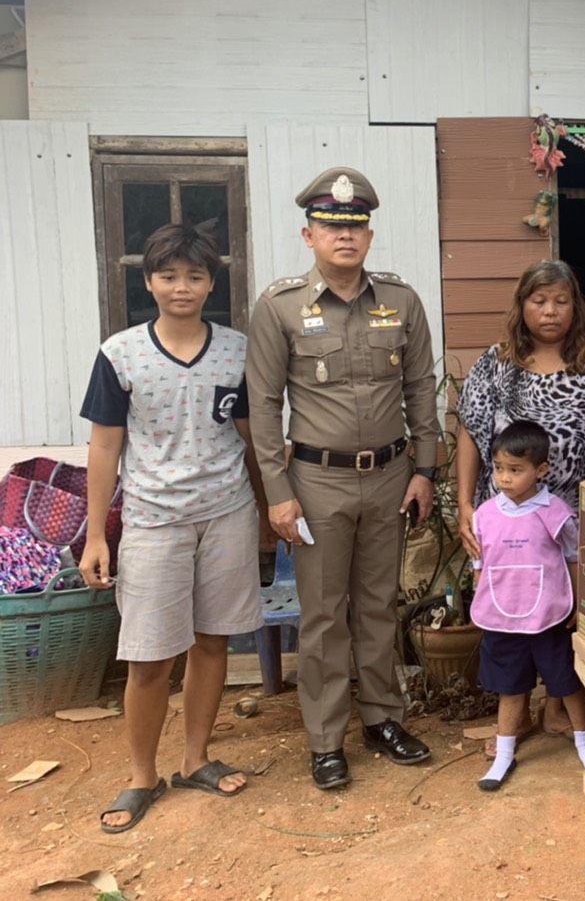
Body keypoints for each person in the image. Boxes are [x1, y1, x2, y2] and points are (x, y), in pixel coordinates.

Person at [246, 168, 439, 791]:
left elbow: (419, 391)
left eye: (354, 225)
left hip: (390, 476)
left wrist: (426, 470)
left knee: (380, 604)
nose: (344, 235)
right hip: (317, 482)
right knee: (325, 615)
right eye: (331, 226)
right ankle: (326, 739)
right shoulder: (279, 307)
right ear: (309, 235)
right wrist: (278, 493)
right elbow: (263, 405)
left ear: (370, 233)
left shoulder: (401, 302)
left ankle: (383, 719)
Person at [79, 223, 270, 832]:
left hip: (227, 513)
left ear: (211, 282)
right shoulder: (120, 353)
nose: (181, 287)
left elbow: (252, 439)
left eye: (194, 276)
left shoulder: (238, 351)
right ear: (149, 281)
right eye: (169, 276)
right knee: (150, 656)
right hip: (153, 520)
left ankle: (195, 759)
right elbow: (105, 448)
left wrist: (270, 509)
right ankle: (141, 775)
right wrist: (96, 534)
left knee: (214, 641)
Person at [454, 259, 585, 740]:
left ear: (575, 307)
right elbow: (468, 431)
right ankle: (514, 711)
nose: (550, 311)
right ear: (522, 306)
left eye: (561, 301)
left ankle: (559, 707)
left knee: (565, 616)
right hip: (509, 521)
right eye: (539, 301)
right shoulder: (497, 363)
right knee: (513, 610)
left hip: (570, 521)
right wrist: (464, 504)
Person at [467, 420, 585, 790]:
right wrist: (481, 592)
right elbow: (479, 565)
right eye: (498, 468)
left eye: (516, 470)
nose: (505, 478)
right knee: (510, 688)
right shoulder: (484, 515)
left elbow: (575, 556)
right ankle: (503, 754)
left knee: (566, 682)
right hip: (503, 618)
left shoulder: (555, 512)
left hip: (550, 614)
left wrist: (578, 602)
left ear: (540, 470)